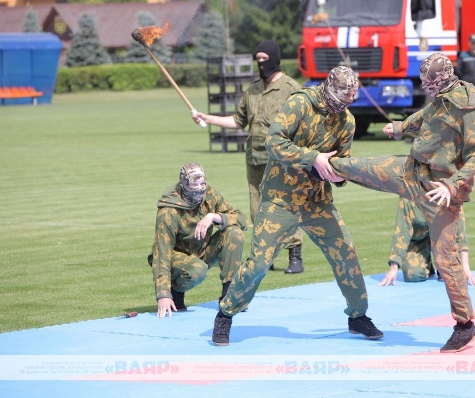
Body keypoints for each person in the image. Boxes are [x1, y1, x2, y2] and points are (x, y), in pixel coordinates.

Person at [327, 52, 475, 353]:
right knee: (362, 167)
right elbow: (427, 114)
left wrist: (452, 184)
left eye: (427, 82)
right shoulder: (443, 96)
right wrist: (401, 127)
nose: (424, 87)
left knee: (446, 260)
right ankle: (320, 166)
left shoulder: (468, 107)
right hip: (412, 171)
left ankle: (465, 326)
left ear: (439, 80)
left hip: (439, 191)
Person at [211, 66, 384, 345]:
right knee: (259, 263)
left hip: (317, 201)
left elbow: (341, 160)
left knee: (346, 254)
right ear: (330, 89)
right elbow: (273, 141)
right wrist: (312, 158)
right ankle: (226, 314)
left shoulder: (347, 121)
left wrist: (341, 175)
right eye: (344, 96)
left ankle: (357, 315)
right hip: (280, 199)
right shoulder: (300, 104)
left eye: (352, 97)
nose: (348, 102)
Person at [194, 40, 305, 274]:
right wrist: (207, 118)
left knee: (285, 207)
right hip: (254, 158)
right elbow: (237, 121)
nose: (261, 63)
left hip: (282, 159)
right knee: (258, 210)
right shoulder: (253, 90)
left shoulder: (291, 88)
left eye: (265, 59)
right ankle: (266, 254)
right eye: (258, 59)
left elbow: (303, 125)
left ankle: (295, 255)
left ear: (275, 59)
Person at [148, 163, 248, 318]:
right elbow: (161, 252)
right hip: (175, 259)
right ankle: (175, 292)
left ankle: (230, 296)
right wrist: (163, 294)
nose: (200, 189)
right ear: (184, 185)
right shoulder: (168, 211)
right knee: (197, 270)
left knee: (234, 232)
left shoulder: (210, 194)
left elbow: (242, 220)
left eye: (202, 184)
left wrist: (214, 217)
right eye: (195, 186)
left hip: (200, 251)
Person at [379, 197, 475, 286]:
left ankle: (441, 266)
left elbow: (460, 233)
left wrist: (465, 267)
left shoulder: (450, 195)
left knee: (450, 276)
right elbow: (401, 232)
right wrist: (394, 268)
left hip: (443, 241)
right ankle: (427, 265)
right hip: (418, 240)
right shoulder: (407, 197)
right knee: (412, 275)